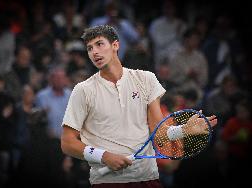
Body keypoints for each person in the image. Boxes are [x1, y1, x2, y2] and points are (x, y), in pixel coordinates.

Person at [61, 25, 217, 187]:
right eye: (90, 48)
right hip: (107, 182)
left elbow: (159, 134)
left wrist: (185, 130)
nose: (94, 52)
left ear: (115, 45)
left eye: (99, 44)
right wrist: (104, 156)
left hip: (147, 179)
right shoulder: (83, 90)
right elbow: (68, 142)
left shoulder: (146, 79)